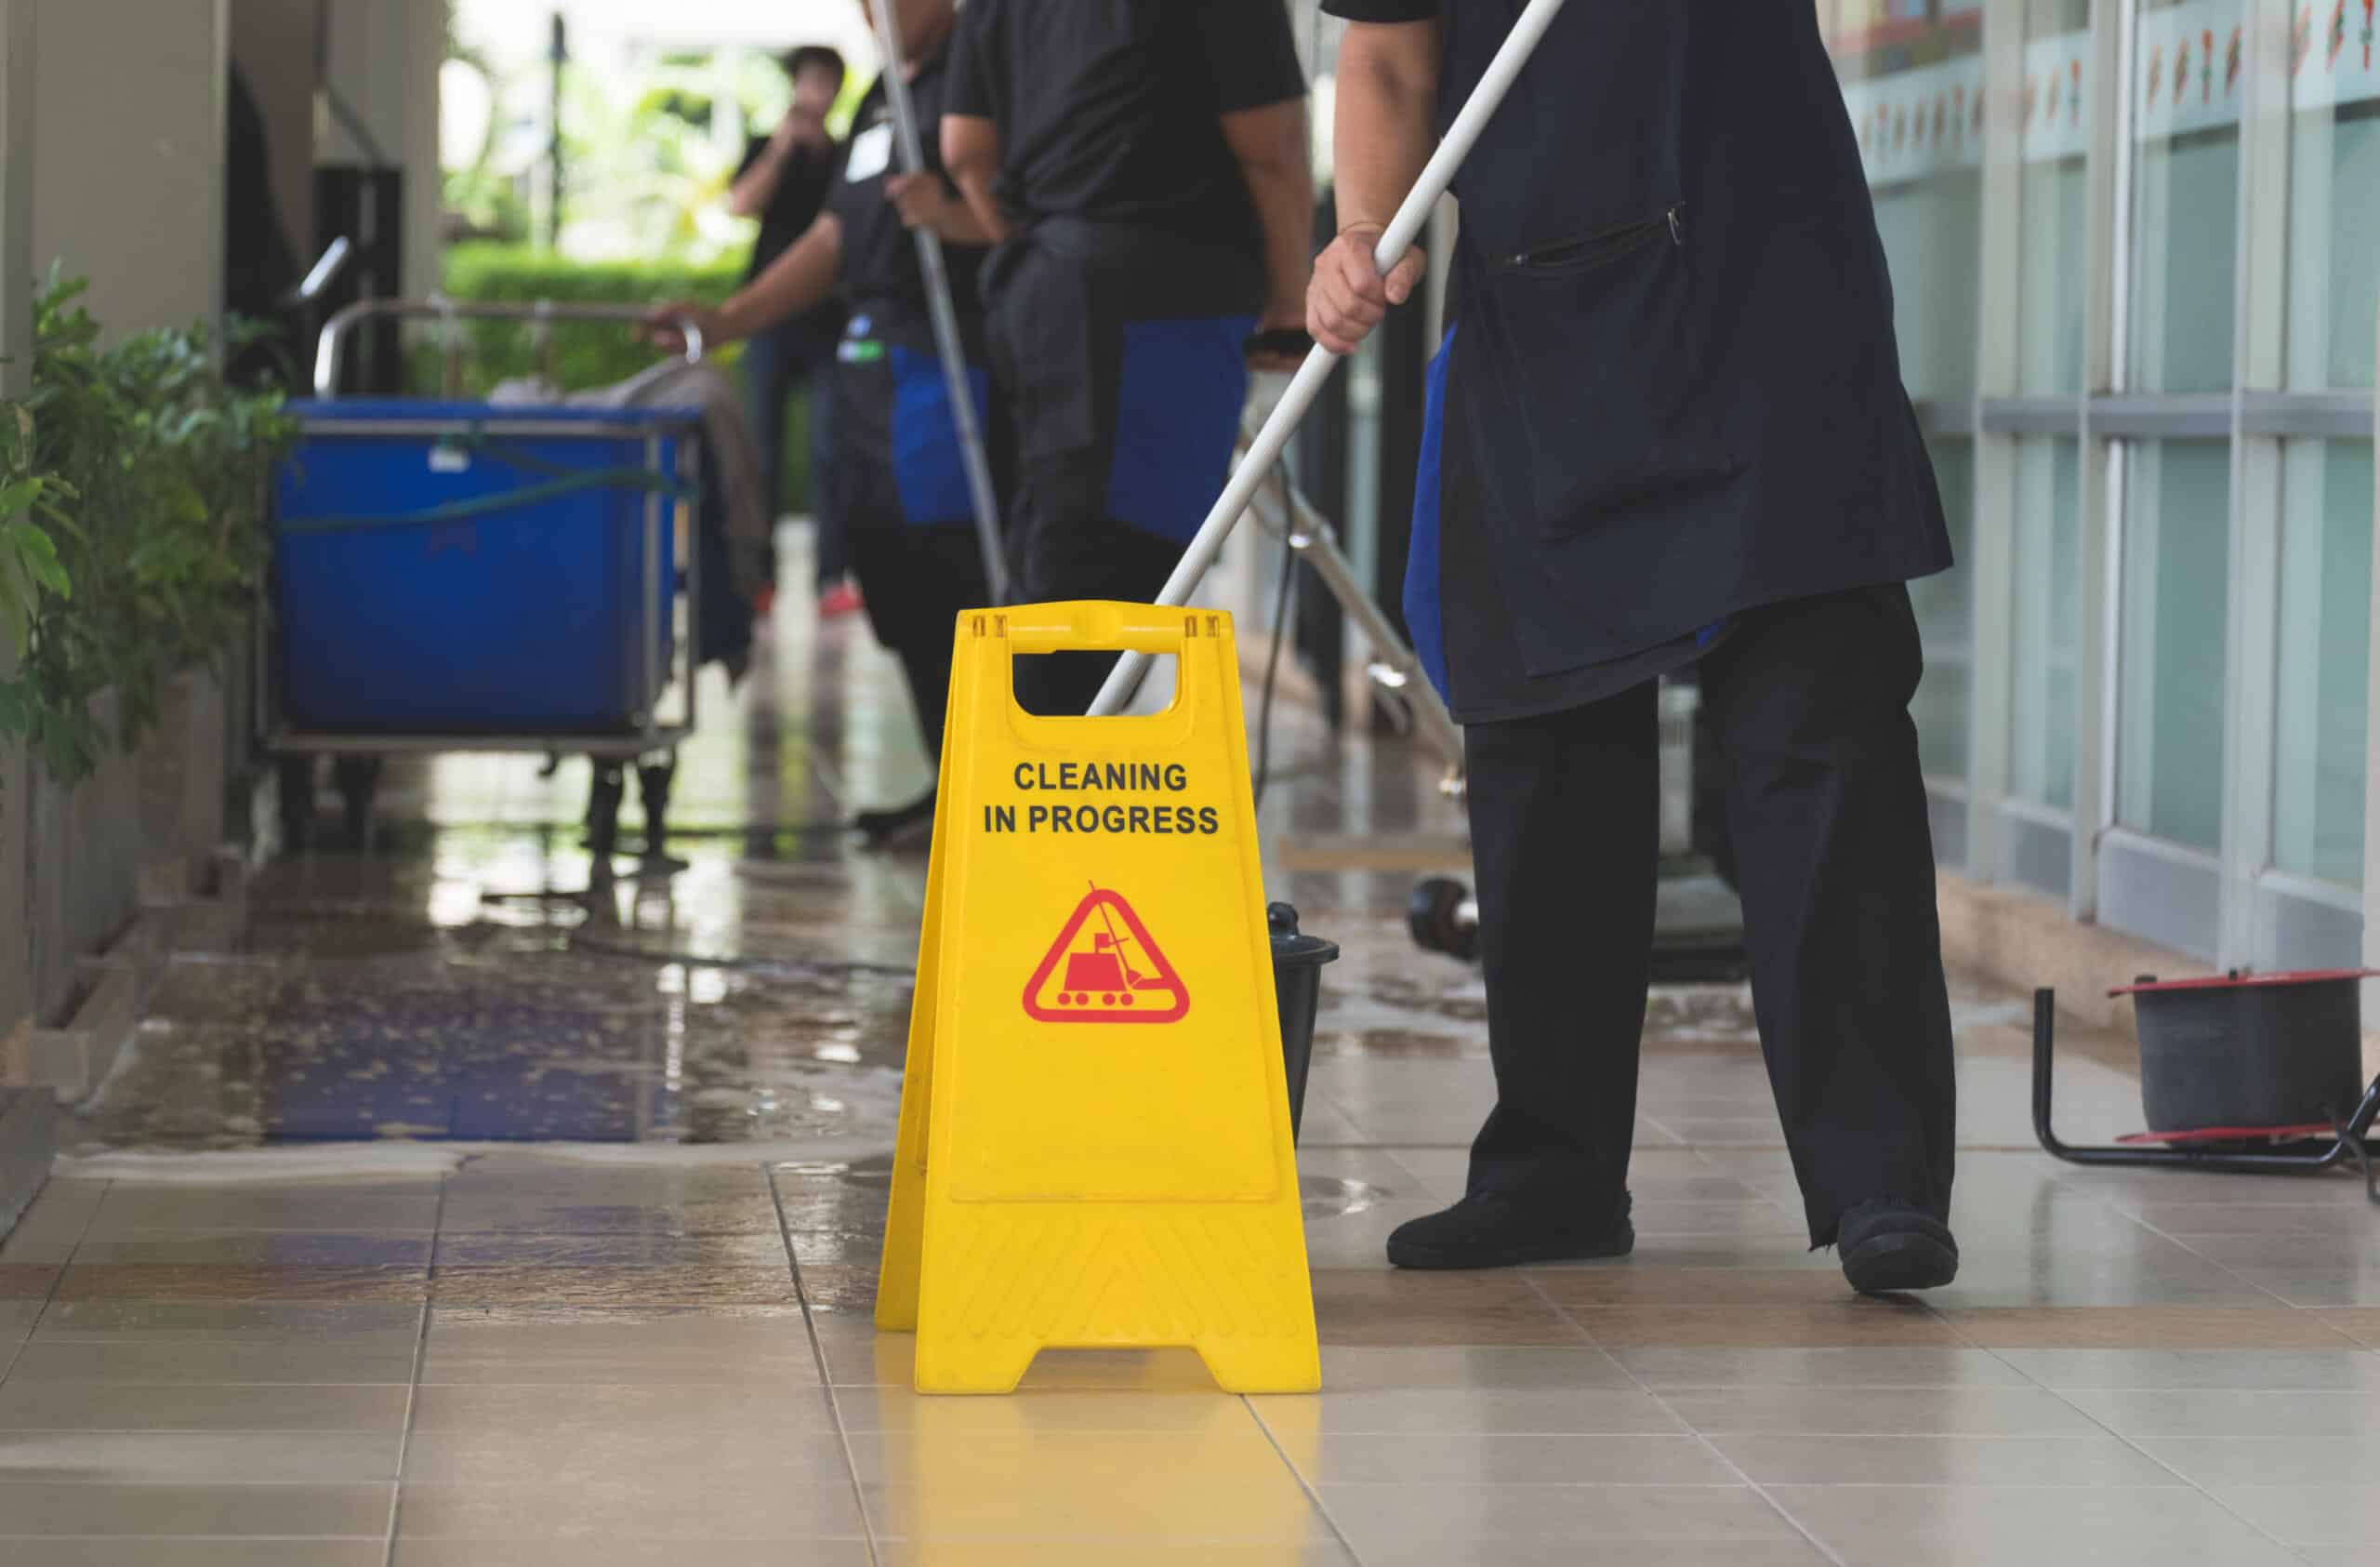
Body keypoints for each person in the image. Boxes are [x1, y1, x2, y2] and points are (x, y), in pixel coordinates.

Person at [1308, 3, 1963, 1295]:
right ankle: (1550, 1170)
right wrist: (1358, 234)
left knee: (1818, 731)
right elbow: (1388, 50)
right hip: (1548, 308)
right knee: (1544, 757)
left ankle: (1881, 1177)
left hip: (1770, 288)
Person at [649, 0, 999, 843]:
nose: (872, 10)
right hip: (869, 362)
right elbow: (836, 236)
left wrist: (954, 217)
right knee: (887, 570)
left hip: (947, 364)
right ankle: (952, 779)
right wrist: (729, 320)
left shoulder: (978, 75)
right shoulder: (883, 95)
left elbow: (1015, 219)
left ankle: (995, 788)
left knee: (954, 571)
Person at [938, 0, 1313, 715]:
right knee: (1116, 574)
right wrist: (1292, 297)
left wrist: (1040, 250)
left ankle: (1031, 784)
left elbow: (964, 150)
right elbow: (1271, 146)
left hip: (1041, 283)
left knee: (1056, 550)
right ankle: (1058, 798)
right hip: (1161, 294)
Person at [731, 44, 858, 618]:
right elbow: (739, 203)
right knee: (760, 448)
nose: (817, 93)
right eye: (808, 81)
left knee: (831, 450)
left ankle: (832, 575)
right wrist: (782, 148)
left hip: (829, 321)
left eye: (826, 82)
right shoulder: (767, 146)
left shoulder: (846, 155)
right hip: (769, 321)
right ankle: (759, 576)